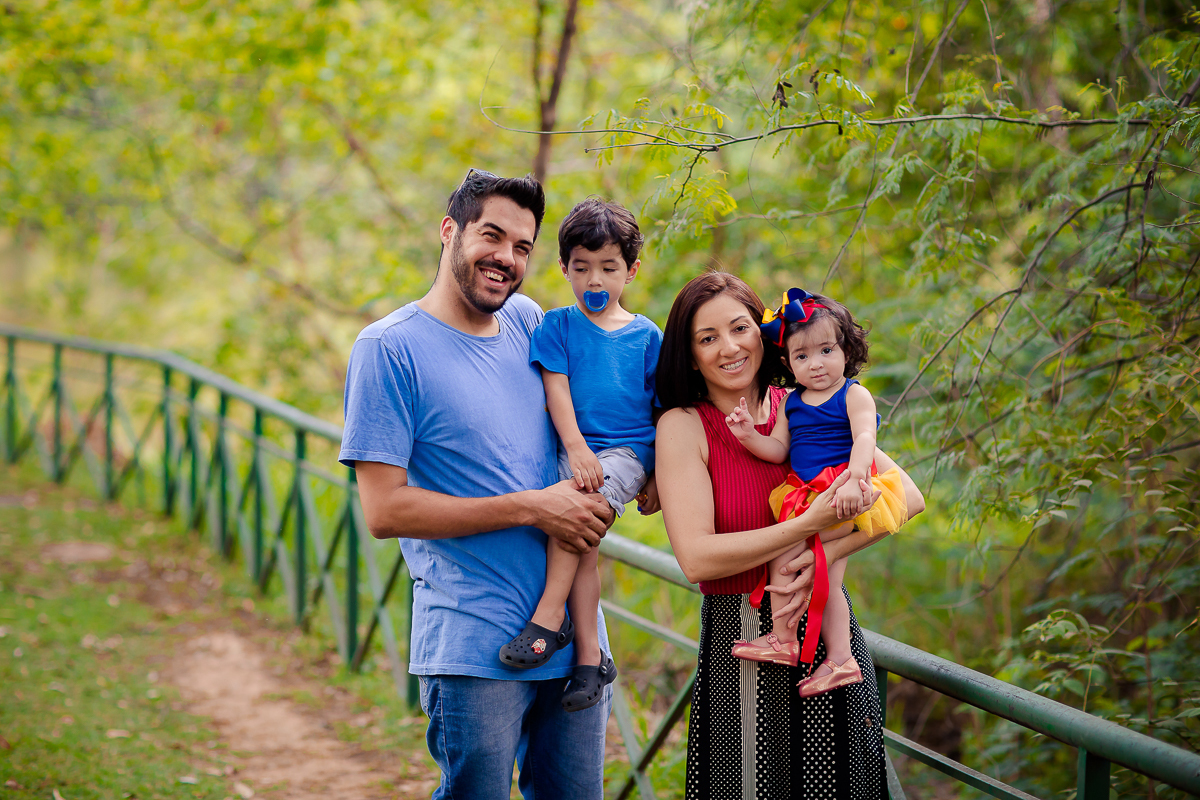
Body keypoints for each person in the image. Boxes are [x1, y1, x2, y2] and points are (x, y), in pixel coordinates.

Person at [338, 169, 616, 800]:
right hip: (473, 643)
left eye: (523, 247)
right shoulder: (389, 349)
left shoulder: (527, 321)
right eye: (492, 236)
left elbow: (591, 415)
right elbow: (384, 509)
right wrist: (534, 509)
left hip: (575, 644)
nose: (507, 259)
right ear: (449, 230)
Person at [654, 272, 925, 798]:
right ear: (690, 355)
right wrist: (805, 526)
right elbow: (697, 560)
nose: (729, 347)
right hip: (746, 640)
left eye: (739, 328)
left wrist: (819, 552)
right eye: (708, 338)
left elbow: (907, 497)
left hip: (826, 634)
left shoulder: (806, 401)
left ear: (764, 333)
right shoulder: (684, 426)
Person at [498, 198, 662, 713]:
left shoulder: (646, 335)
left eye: (609, 268)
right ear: (564, 267)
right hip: (577, 454)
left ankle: (548, 619)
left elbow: (664, 409)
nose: (595, 280)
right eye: (582, 267)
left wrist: (655, 474)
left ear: (631, 270)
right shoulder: (558, 326)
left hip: (625, 455)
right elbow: (557, 392)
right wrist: (575, 449)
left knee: (575, 516)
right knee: (580, 543)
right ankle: (591, 662)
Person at [725, 288, 908, 698]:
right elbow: (779, 450)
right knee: (811, 566)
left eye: (826, 350)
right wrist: (748, 436)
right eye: (802, 356)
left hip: (844, 490)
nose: (817, 364)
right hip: (805, 494)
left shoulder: (853, 394)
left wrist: (856, 477)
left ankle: (813, 647)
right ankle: (811, 648)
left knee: (803, 558)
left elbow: (865, 436)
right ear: (788, 363)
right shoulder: (792, 401)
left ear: (847, 349)